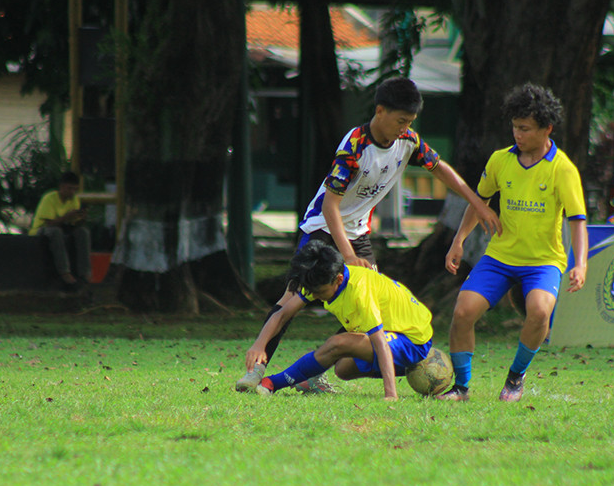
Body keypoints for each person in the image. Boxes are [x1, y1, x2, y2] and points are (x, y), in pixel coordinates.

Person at [235, 76, 500, 392]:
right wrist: (347, 256)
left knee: (360, 300)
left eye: (410, 122)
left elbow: (440, 168)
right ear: (380, 111)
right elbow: (331, 206)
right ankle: (258, 368)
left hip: (358, 231)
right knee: (294, 298)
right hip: (323, 227)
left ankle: (313, 375)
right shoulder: (355, 146)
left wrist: (478, 204)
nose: (405, 127)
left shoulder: (409, 141)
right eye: (401, 120)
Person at [438, 83, 588, 402]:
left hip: (543, 262)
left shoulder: (562, 169)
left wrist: (581, 263)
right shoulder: (500, 161)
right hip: (500, 258)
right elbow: (479, 201)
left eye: (525, 129)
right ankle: (461, 388)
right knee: (463, 312)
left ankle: (515, 379)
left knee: (539, 311)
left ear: (546, 128)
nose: (517, 135)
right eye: (514, 127)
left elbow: (578, 220)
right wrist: (459, 241)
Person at [241, 241, 433, 400]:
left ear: (339, 280)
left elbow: (379, 341)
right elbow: (282, 314)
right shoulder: (319, 279)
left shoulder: (360, 291)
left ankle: (272, 383)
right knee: (343, 369)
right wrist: (259, 345)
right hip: (393, 335)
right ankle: (411, 368)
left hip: (412, 340)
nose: (315, 296)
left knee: (337, 344)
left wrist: (390, 394)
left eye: (320, 292)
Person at [29, 171, 92, 289]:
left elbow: (74, 224)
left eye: (75, 189)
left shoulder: (74, 200)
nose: (72, 192)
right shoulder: (50, 198)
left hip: (64, 228)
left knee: (83, 232)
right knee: (55, 232)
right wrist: (66, 217)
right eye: (69, 189)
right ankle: (64, 272)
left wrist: (81, 218)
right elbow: (49, 223)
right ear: (62, 187)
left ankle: (85, 272)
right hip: (42, 229)